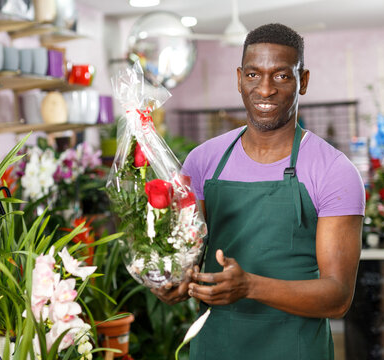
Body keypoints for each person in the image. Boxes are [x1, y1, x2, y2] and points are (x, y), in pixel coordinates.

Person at [151, 23, 365, 359]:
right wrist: (175, 281)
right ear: (239, 78)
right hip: (215, 345)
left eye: (281, 76)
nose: (265, 89)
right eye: (253, 75)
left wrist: (250, 286)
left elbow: (338, 297)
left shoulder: (334, 171)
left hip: (295, 347)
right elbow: (185, 257)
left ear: (303, 81)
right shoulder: (202, 161)